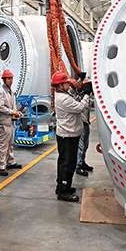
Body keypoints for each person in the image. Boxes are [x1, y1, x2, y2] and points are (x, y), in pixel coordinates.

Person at [51, 70, 92, 202]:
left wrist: (80, 82)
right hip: (68, 135)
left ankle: (62, 187)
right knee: (67, 164)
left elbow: (73, 94)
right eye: (66, 83)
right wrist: (87, 94)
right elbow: (80, 107)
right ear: (60, 85)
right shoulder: (63, 99)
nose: (69, 85)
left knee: (65, 162)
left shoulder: (63, 93)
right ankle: (63, 192)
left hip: (67, 134)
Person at [0, 69, 23, 176]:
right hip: (4, 123)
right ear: (4, 80)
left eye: (11, 78)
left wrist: (17, 113)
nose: (11, 80)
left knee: (10, 144)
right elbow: (0, 107)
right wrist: (12, 112)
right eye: (9, 78)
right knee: (3, 145)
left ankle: (10, 162)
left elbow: (13, 105)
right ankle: (1, 166)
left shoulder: (12, 92)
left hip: (11, 122)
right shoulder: (0, 93)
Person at [75, 71, 94, 177]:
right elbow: (81, 105)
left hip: (86, 122)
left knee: (85, 145)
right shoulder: (77, 96)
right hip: (79, 122)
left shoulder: (88, 98)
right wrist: (80, 80)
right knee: (81, 145)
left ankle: (82, 162)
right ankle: (78, 166)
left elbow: (92, 104)